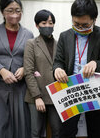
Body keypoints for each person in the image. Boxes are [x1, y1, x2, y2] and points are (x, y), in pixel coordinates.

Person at [53, 0, 100, 138]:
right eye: (76, 24)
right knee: (66, 131)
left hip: (94, 88)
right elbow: (58, 61)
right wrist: (57, 69)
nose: (80, 28)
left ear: (94, 20)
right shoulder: (64, 36)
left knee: (95, 130)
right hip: (71, 89)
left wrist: (96, 63)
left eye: (85, 25)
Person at [0, 0, 33, 138]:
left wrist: (25, 68)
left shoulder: (28, 33)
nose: (14, 14)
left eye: (18, 11)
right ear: (2, 12)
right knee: (0, 122)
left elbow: (31, 58)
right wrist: (2, 71)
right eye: (10, 10)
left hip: (20, 85)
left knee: (22, 122)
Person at [24, 9, 61, 138]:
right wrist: (37, 97)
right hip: (36, 96)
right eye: (43, 23)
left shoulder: (59, 44)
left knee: (57, 132)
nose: (47, 26)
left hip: (56, 95)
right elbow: (28, 72)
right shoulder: (31, 44)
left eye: (50, 23)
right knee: (36, 132)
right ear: (37, 25)